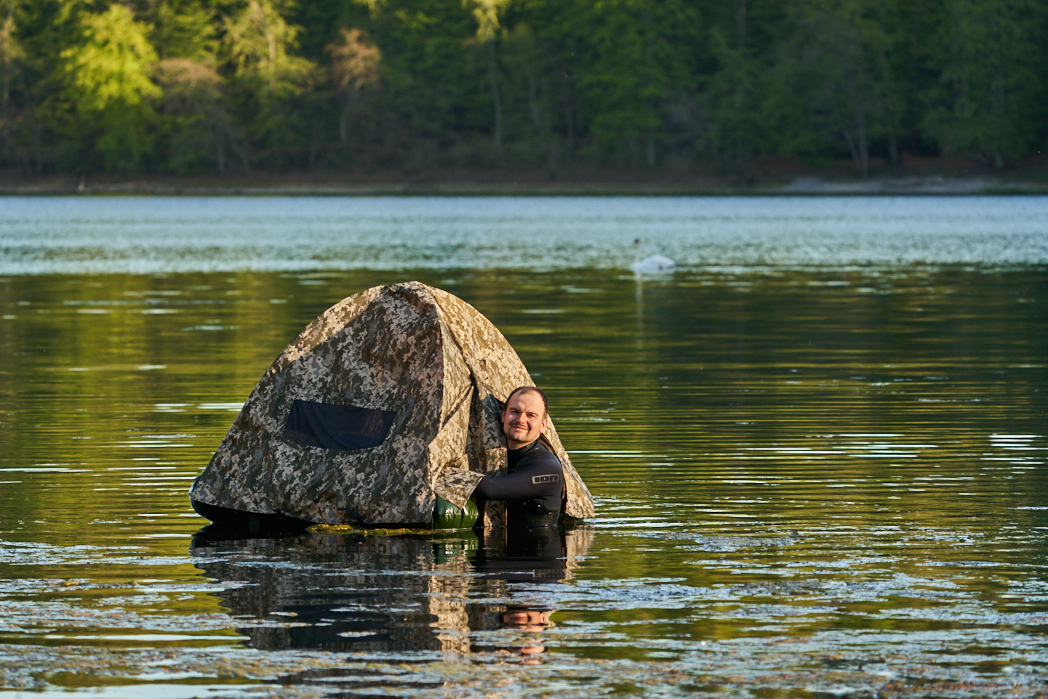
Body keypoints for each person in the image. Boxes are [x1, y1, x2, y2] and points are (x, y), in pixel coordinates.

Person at [471, 386, 564, 528]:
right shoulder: (491, 457)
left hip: (535, 547)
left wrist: (440, 476)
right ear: (503, 415)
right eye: (515, 412)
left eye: (531, 415)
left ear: (543, 425)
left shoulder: (548, 467)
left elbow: (490, 489)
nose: (520, 420)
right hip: (497, 546)